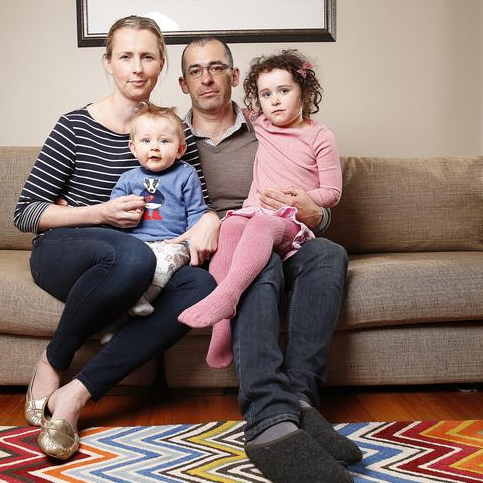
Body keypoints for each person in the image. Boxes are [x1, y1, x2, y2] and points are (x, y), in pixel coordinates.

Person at [13, 16, 218, 460]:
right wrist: (99, 213)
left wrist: (212, 220)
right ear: (108, 63)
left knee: (201, 285)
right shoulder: (74, 127)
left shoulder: (171, 132)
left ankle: (76, 396)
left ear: (162, 65)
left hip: (142, 255)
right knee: (133, 259)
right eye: (125, 56)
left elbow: (198, 202)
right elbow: (26, 213)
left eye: (147, 56)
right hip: (66, 251)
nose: (137, 67)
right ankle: (53, 360)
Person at [178, 37, 360, 483]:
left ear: (235, 78)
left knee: (329, 253)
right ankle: (268, 418)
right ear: (183, 84)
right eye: (196, 70)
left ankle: (300, 402)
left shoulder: (261, 124)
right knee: (262, 262)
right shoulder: (172, 135)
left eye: (217, 67)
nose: (207, 78)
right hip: (231, 237)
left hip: (285, 229)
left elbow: (319, 193)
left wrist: (317, 211)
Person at [179, 49, 342, 370]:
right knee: (232, 229)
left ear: (304, 92)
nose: (276, 101)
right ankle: (222, 326)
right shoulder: (176, 137)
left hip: (288, 222)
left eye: (284, 91)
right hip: (248, 218)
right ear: (184, 83)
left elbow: (332, 192)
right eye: (267, 94)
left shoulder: (315, 135)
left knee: (274, 232)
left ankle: (228, 295)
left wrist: (307, 203)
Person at [110, 102, 208, 319]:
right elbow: (114, 211)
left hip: (172, 242)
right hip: (135, 244)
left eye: (164, 141)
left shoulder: (186, 174)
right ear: (134, 147)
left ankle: (140, 299)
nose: (154, 147)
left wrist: (193, 246)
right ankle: (116, 319)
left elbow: (196, 212)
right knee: (124, 268)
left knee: (162, 267)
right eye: (146, 141)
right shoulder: (128, 179)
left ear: (180, 149)